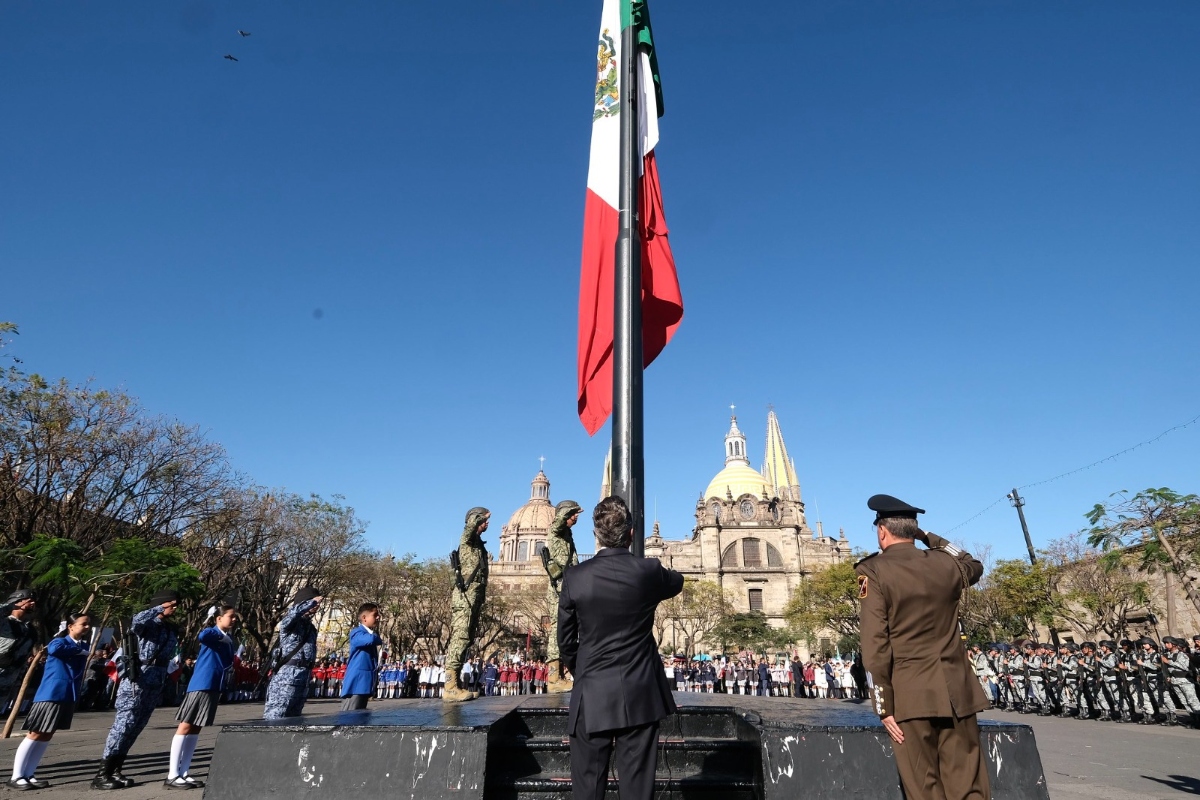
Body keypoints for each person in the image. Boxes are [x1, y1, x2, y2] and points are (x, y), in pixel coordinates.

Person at [855, 494, 989, 800]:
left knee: (924, 787)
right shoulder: (947, 564)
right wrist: (930, 537)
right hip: (958, 692)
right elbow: (973, 563)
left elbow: (875, 644)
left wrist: (883, 705)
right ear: (913, 531)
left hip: (909, 696)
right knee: (968, 786)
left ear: (882, 531)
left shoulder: (873, 571)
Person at [558, 495, 684, 800]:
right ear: (630, 534)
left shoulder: (575, 577)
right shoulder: (649, 572)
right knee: (638, 789)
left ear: (596, 535)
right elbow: (677, 581)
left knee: (587, 788)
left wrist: (582, 669)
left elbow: (565, 640)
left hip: (590, 696)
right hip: (640, 694)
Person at [93, 589, 181, 791]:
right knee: (123, 725)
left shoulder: (169, 629)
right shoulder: (145, 625)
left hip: (155, 680)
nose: (174, 609)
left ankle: (116, 769)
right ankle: (102, 774)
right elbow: (137, 618)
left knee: (136, 727)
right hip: (136, 680)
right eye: (171, 605)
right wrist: (160, 607)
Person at [8, 612, 91, 791]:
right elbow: (53, 650)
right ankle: (16, 776)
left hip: (68, 693)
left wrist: (81, 649)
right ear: (70, 626)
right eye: (83, 624)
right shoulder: (60, 641)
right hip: (51, 693)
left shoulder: (84, 644)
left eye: (87, 624)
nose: (87, 627)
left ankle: (29, 773)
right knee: (36, 733)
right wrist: (79, 650)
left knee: (47, 734)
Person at [166, 605, 239, 789]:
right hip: (202, 684)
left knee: (197, 727)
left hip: (214, 685)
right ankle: (172, 775)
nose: (234, 619)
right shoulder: (214, 634)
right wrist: (212, 626)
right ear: (218, 619)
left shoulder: (229, 639)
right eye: (230, 616)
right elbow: (203, 636)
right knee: (186, 725)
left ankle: (184, 771)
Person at [444, 508, 490, 702]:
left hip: (475, 596)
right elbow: (468, 530)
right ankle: (450, 685)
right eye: (483, 520)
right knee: (460, 636)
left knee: (468, 638)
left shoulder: (479, 544)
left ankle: (457, 684)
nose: (487, 523)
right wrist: (478, 518)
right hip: (465, 597)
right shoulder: (468, 540)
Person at [262, 588, 322, 720]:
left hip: (303, 680)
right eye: (313, 602)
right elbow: (293, 613)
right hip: (285, 682)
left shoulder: (310, 628)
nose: (317, 605)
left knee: (293, 723)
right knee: (275, 721)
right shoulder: (291, 622)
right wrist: (311, 602)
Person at [543, 500, 583, 692]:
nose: (576, 517)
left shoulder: (567, 535)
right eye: (574, 513)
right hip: (558, 589)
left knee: (568, 629)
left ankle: (561, 674)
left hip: (569, 587)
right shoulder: (556, 531)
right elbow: (558, 522)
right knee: (557, 629)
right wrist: (568, 511)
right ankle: (553, 678)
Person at [341, 603, 383, 711]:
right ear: (364, 618)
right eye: (375, 615)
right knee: (349, 718)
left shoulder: (369, 634)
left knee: (360, 719)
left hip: (365, 684)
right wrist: (375, 636)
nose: (378, 617)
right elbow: (372, 640)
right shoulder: (357, 632)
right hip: (356, 684)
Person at [1, 590, 39, 706]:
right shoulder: (4, 622)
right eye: (29, 600)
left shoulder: (31, 630)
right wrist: (11, 605)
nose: (33, 603)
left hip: (8, 679)